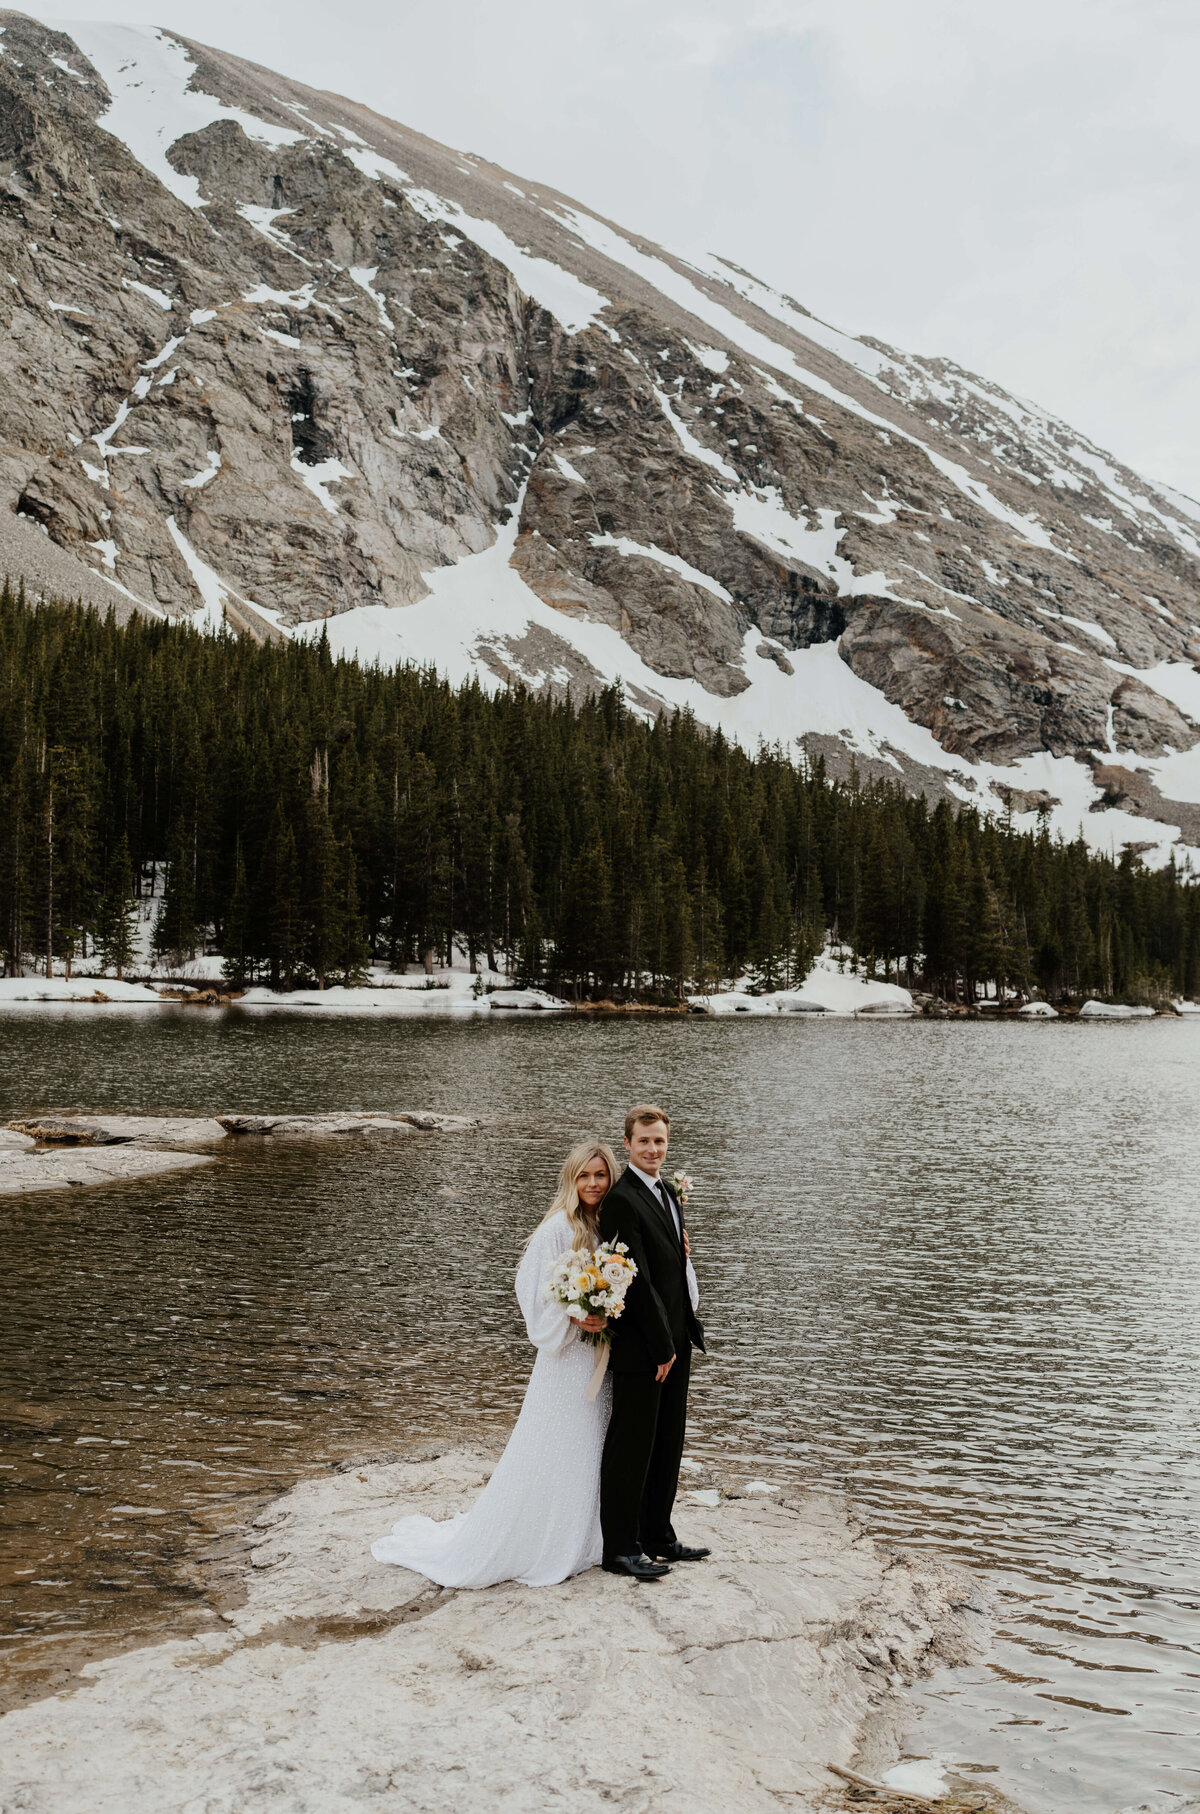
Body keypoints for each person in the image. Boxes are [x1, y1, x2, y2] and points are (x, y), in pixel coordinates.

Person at [370, 1141, 619, 1588]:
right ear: (571, 1179)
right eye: (584, 1175)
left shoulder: (608, 1224)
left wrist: (609, 1311)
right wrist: (573, 1313)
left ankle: (585, 1534)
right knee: (560, 1442)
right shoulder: (556, 1229)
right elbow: (532, 1289)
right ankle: (540, 1537)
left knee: (591, 1444)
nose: (593, 1183)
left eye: (600, 1175)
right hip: (566, 1358)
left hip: (598, 1356)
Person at [598, 1104, 708, 1582]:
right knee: (632, 1445)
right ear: (628, 1144)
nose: (653, 1149)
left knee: (668, 1440)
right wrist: (662, 1346)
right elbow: (634, 1281)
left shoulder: (666, 1191)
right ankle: (620, 1548)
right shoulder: (621, 1199)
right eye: (644, 1141)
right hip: (644, 1346)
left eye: (660, 1141)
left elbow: (672, 1268)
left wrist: (683, 1335)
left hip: (675, 1339)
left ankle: (658, 1535)